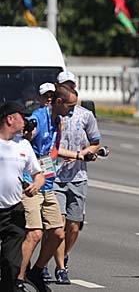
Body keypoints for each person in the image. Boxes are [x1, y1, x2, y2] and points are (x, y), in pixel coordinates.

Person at [18, 83, 86, 291]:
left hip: (48, 183)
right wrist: (28, 131)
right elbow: (25, 136)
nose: (72, 111)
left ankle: (36, 271)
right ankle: (17, 279)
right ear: (58, 102)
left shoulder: (59, 121)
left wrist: (68, 158)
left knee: (58, 233)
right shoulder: (39, 117)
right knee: (35, 234)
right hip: (30, 184)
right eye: (70, 106)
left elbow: (53, 150)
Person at [47, 71, 101, 284]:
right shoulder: (51, 115)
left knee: (74, 226)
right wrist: (77, 154)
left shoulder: (84, 115)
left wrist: (89, 152)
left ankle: (63, 253)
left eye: (72, 85)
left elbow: (95, 141)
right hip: (55, 177)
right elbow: (51, 147)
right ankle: (60, 268)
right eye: (65, 86)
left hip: (78, 177)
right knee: (58, 226)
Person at [0, 102, 44, 292]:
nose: (25, 121)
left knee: (11, 263)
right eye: (22, 117)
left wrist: (36, 185)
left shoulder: (24, 145)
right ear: (10, 119)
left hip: (13, 211)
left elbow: (38, 173)